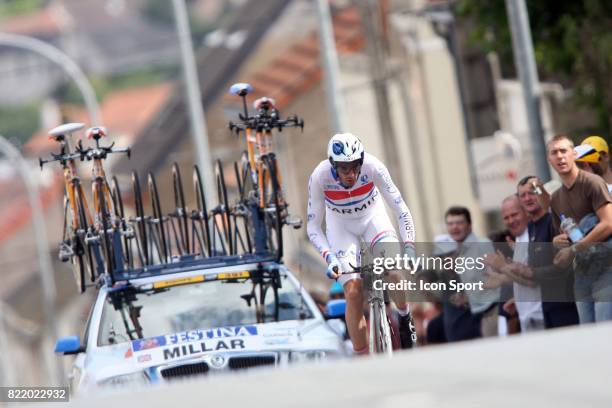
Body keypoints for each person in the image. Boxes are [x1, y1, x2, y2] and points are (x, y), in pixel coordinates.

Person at [307, 133, 417, 353]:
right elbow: (313, 227)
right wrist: (330, 257)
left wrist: (409, 247)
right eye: (344, 168)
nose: (351, 174)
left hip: (373, 219)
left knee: (393, 270)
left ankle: (405, 316)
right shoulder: (320, 176)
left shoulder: (373, 166)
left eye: (355, 166)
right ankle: (363, 357)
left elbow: (401, 210)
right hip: (341, 226)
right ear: (333, 165)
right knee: (353, 290)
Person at [547, 134, 612, 323]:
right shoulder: (556, 198)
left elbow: (608, 224)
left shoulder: (592, 182)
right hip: (582, 273)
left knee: (604, 332)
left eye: (563, 151)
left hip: (606, 268)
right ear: (549, 159)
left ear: (573, 154)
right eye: (554, 153)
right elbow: (564, 237)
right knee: (588, 338)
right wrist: (557, 243)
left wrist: (574, 248)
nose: (560, 156)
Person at [486, 195, 545, 332]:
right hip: (527, 318)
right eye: (506, 217)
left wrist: (503, 268)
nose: (511, 220)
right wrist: (516, 298)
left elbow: (533, 280)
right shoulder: (519, 240)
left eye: (514, 215)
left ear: (525, 212)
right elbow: (524, 278)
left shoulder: (533, 238)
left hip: (540, 317)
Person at [444, 206, 499, 337]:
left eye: (459, 223)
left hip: (493, 312)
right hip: (480, 316)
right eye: (451, 224)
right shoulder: (460, 254)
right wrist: (467, 297)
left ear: (469, 226)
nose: (455, 227)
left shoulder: (482, 244)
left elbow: (498, 278)